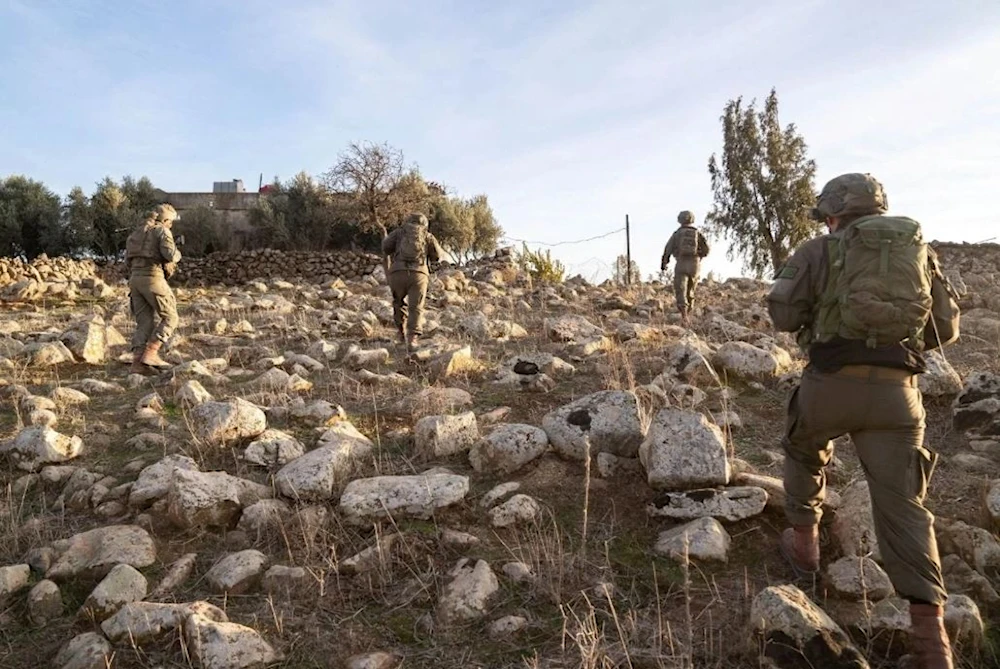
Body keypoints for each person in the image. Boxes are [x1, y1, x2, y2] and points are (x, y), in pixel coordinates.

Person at [767, 173, 960, 669]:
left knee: (802, 445)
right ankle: (931, 641)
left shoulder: (817, 249)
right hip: (899, 397)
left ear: (834, 214)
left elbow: (784, 314)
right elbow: (947, 326)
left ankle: (805, 544)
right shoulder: (919, 252)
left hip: (829, 382)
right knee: (904, 506)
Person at [125, 203, 182, 374]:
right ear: (165, 219)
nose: (171, 225)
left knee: (144, 321)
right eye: (170, 222)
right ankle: (151, 352)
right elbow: (170, 255)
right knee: (171, 317)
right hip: (153, 277)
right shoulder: (162, 231)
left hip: (135, 279)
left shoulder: (136, 233)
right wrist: (178, 253)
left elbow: (128, 260)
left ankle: (137, 362)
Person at [381, 212, 444, 350]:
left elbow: (386, 247)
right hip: (419, 275)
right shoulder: (427, 236)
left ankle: (400, 333)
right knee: (416, 307)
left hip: (397, 273)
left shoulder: (399, 233)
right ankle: (412, 340)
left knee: (398, 303)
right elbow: (437, 256)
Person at [660, 210, 710, 323]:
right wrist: (699, 256)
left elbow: (668, 249)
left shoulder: (677, 234)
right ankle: (689, 311)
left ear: (680, 220)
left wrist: (664, 263)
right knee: (691, 289)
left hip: (681, 262)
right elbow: (707, 249)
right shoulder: (697, 233)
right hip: (695, 264)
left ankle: (684, 315)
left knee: (680, 288)